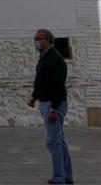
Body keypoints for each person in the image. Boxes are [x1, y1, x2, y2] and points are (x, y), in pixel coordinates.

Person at [27, 28, 74, 185]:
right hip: (47, 102)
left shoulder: (55, 59)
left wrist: (54, 108)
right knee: (59, 141)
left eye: (39, 39)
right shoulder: (45, 57)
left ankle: (59, 178)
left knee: (53, 142)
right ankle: (66, 177)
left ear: (48, 40)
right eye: (35, 39)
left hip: (54, 104)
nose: (36, 42)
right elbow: (41, 81)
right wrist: (34, 96)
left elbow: (58, 85)